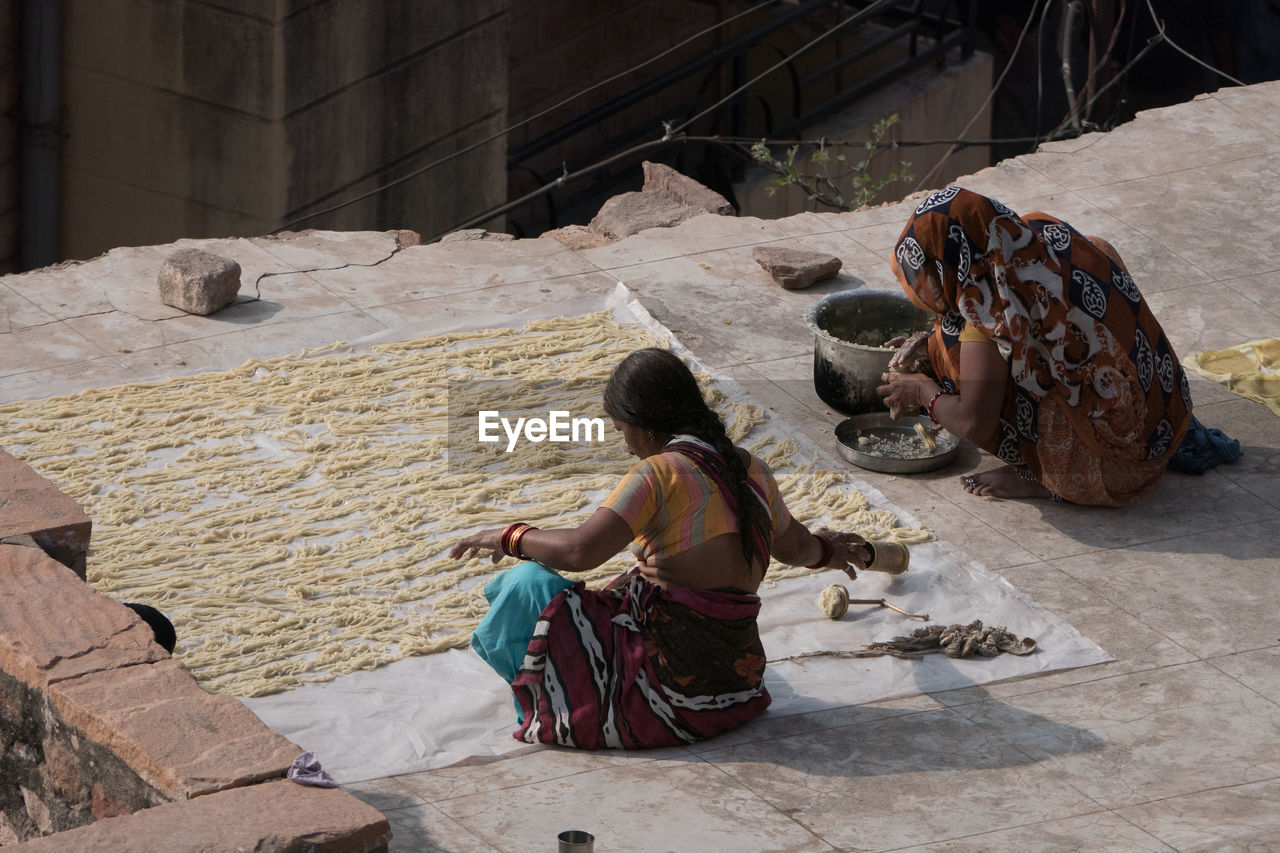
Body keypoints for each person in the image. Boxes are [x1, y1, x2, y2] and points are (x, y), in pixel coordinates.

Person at [450, 348, 870, 750]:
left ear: (644, 423)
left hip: (665, 699)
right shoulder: (753, 469)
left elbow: (580, 551)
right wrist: (829, 551)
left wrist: (508, 536)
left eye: (622, 430)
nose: (627, 445)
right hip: (736, 690)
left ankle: (555, 702)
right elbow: (797, 547)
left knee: (524, 584)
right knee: (623, 583)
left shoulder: (657, 474)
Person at [877, 186, 1193, 506]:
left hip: (1117, 467)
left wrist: (922, 390)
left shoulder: (986, 315)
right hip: (1165, 419)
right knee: (1093, 253)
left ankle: (1046, 477)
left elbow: (974, 423)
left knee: (952, 344)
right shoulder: (1037, 232)